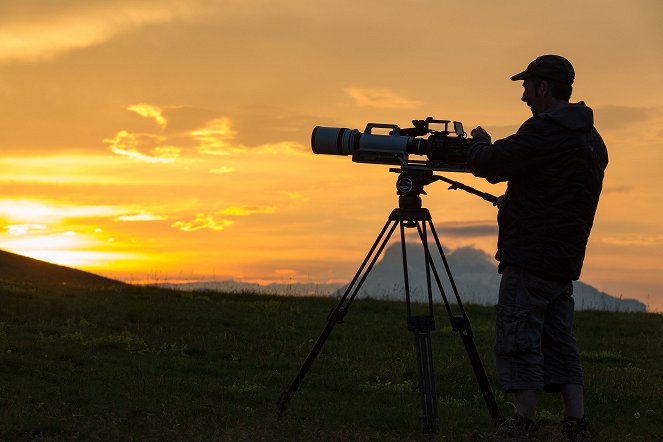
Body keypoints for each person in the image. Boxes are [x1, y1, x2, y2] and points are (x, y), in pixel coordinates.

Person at [466, 55, 608, 440]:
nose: (524, 97)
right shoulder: (591, 139)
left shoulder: (546, 130)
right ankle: (575, 422)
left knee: (518, 336)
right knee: (559, 340)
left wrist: (478, 143)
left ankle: (521, 424)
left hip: (530, 255)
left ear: (543, 87)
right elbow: (555, 190)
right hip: (564, 258)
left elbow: (493, 164)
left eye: (527, 88)